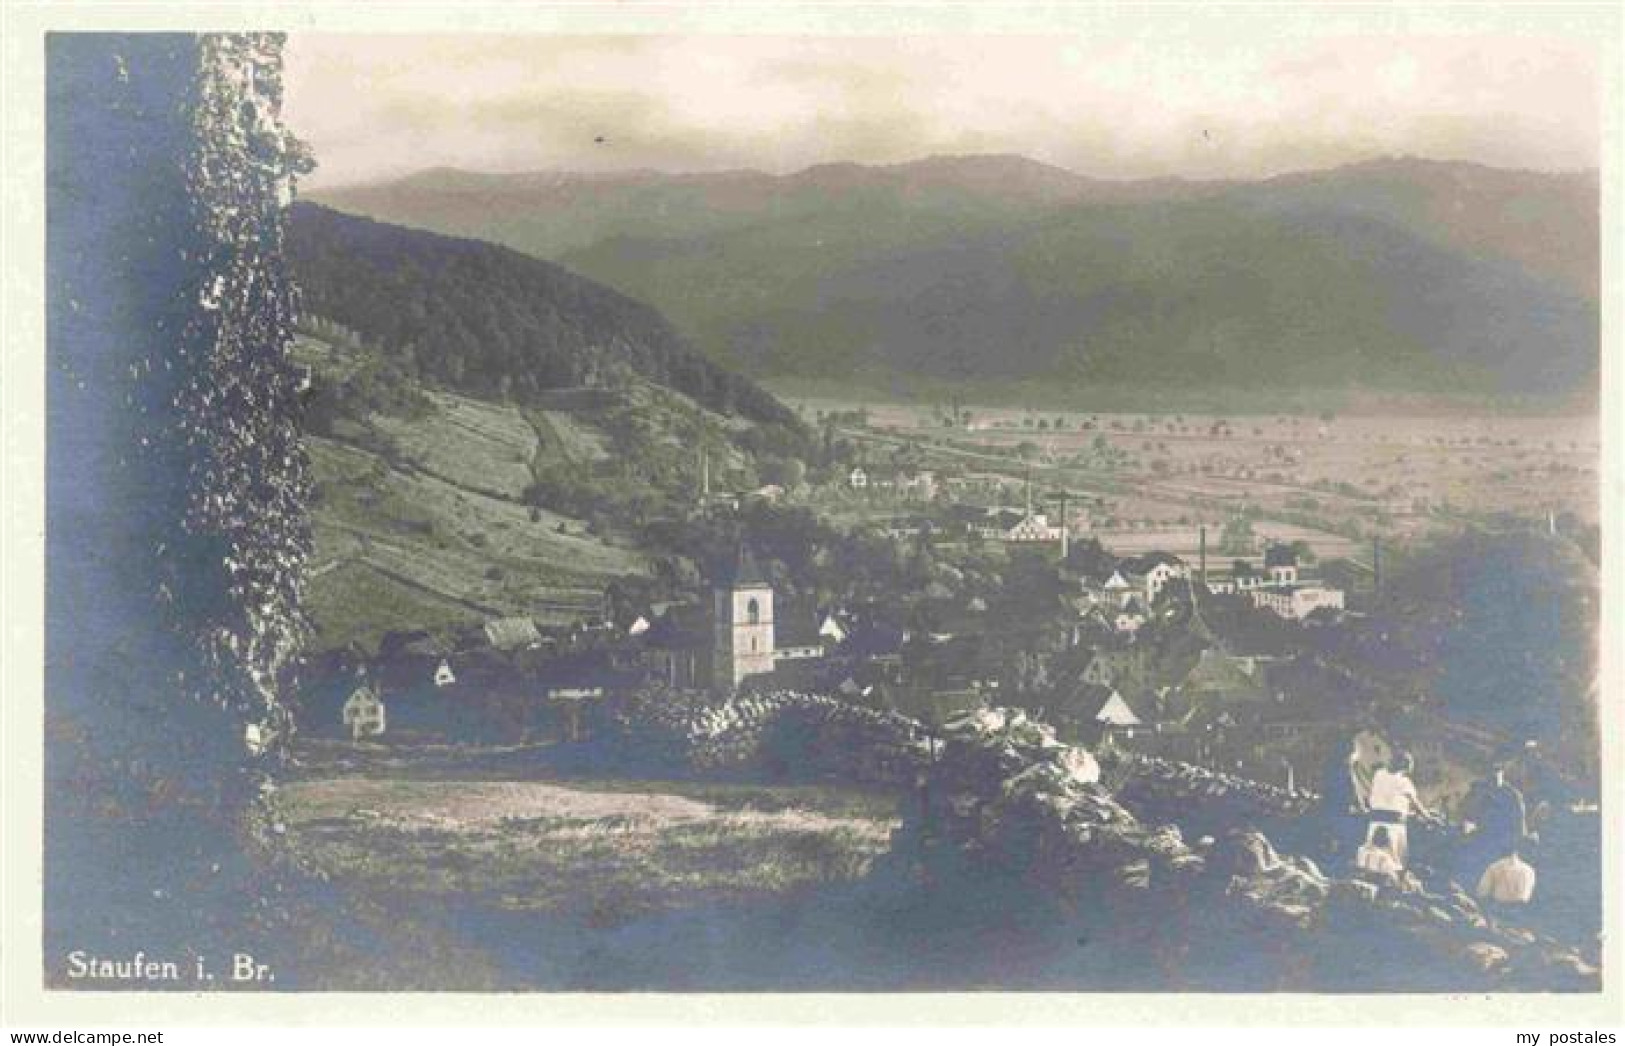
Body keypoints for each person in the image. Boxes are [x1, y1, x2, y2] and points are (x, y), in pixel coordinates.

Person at [1366, 751, 1436, 866]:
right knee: (1395, 858)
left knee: (1373, 854)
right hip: (1394, 825)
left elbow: (1385, 800)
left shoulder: (1378, 774)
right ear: (1406, 768)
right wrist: (1428, 817)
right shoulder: (1404, 782)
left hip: (1375, 822)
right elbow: (1415, 803)